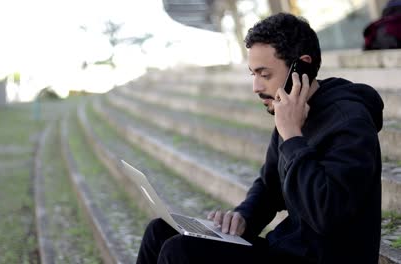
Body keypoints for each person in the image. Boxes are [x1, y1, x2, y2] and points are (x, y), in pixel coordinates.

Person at [136, 12, 384, 264]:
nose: (256, 86)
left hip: (324, 258)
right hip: (286, 250)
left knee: (181, 252)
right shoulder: (289, 110)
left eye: (264, 75)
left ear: (303, 66)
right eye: (252, 74)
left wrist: (292, 136)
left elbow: (327, 214)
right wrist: (244, 216)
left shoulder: (350, 122)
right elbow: (269, 186)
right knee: (159, 231)